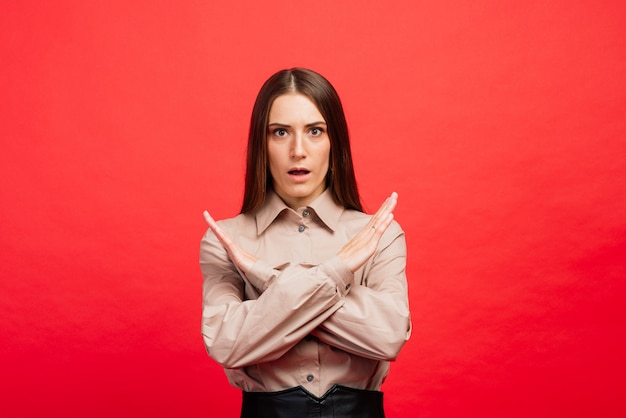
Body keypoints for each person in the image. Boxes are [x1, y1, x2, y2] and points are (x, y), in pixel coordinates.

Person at [200, 68, 411, 418]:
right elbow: (226, 344)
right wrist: (336, 272)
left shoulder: (379, 233)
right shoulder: (225, 240)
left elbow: (388, 336)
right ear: (261, 144)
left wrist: (268, 280)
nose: (298, 150)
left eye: (315, 131)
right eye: (280, 132)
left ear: (335, 142)